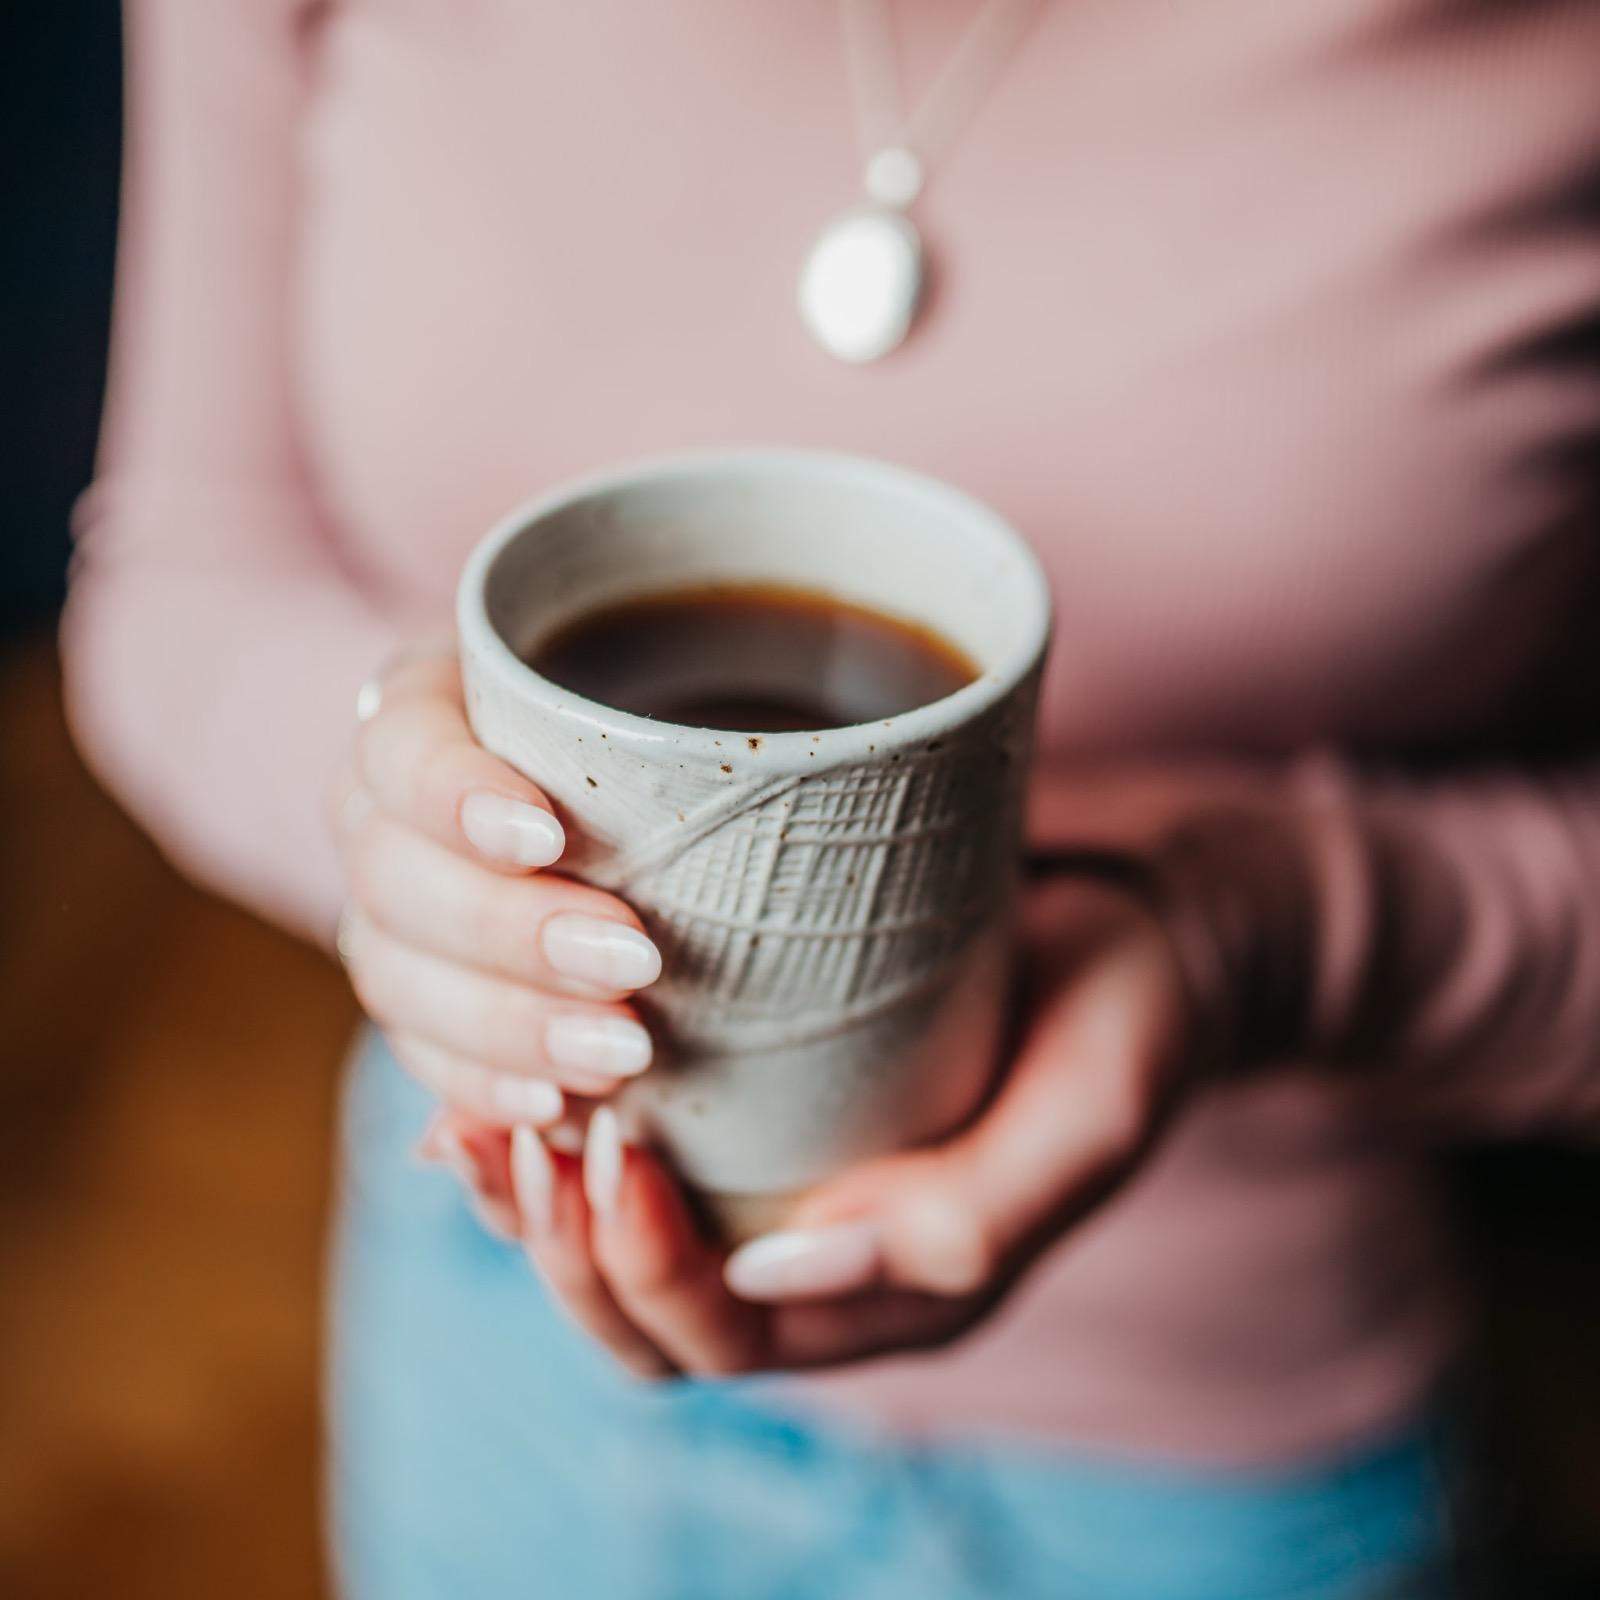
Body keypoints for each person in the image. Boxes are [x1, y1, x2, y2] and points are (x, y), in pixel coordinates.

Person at [63, 2, 1600, 1596]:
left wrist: (1249, 931)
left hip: (1209, 1450)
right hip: (490, 1287)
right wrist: (397, 803)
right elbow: (181, 569)